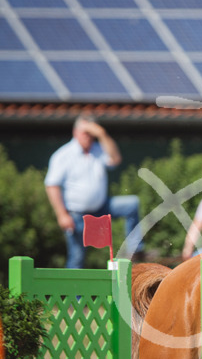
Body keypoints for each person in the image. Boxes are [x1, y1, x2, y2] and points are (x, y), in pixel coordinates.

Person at [44, 114, 142, 269]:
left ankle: (136, 250)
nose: (88, 137)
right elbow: (52, 186)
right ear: (75, 132)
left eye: (91, 133)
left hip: (101, 207)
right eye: (85, 132)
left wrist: (102, 134)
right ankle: (72, 293)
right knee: (77, 258)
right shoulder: (63, 155)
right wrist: (62, 215)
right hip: (76, 215)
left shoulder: (98, 150)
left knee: (131, 204)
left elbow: (115, 159)